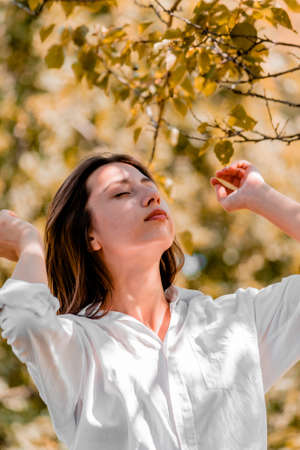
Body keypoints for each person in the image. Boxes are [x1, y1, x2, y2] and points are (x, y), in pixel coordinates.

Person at [0, 153, 299, 450]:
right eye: (122, 192)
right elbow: (26, 321)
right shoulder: (77, 347)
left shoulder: (236, 323)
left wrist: (262, 197)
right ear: (90, 235)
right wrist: (28, 243)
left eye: (150, 185)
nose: (151, 195)